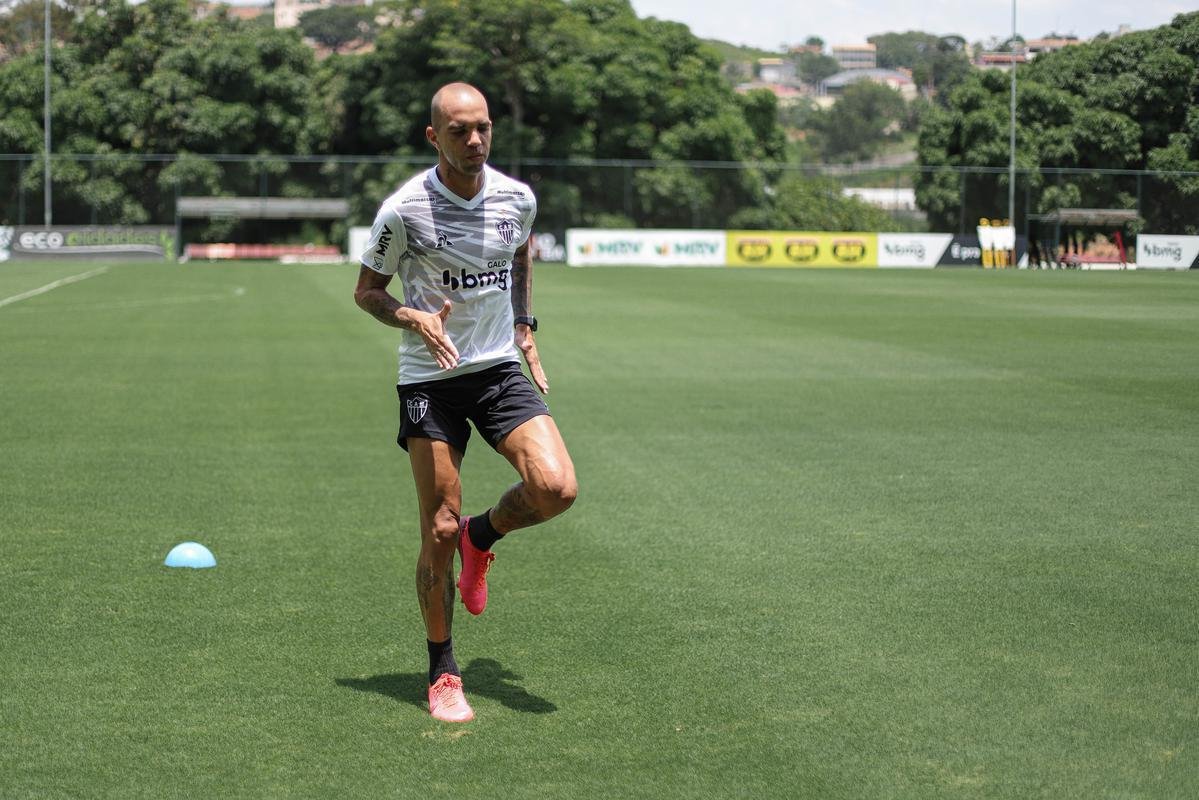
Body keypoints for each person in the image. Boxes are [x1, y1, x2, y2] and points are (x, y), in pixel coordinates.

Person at [353, 83, 578, 723]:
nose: (474, 140)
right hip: (431, 378)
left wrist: (524, 324)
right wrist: (412, 316)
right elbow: (366, 291)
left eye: (482, 127)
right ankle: (443, 670)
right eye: (459, 131)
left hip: (498, 367)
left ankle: (485, 536)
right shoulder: (404, 211)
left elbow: (520, 249)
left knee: (556, 489)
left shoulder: (517, 197)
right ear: (434, 137)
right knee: (439, 529)